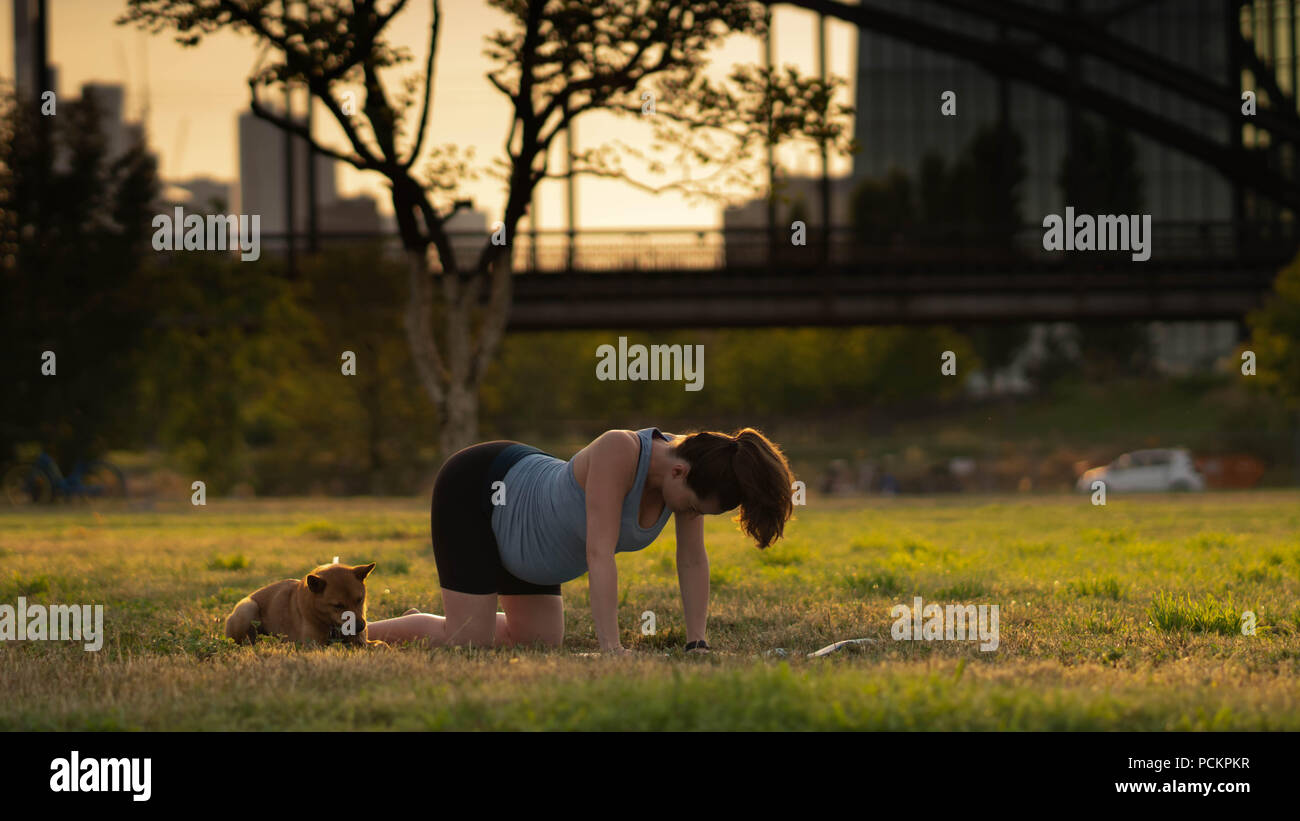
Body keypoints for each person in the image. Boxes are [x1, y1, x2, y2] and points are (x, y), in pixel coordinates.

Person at [366, 427, 794, 655]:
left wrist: (696, 642)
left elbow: (693, 562)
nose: (691, 516)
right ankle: (350, 633)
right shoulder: (620, 450)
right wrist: (612, 648)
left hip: (534, 550)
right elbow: (599, 554)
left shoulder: (698, 467)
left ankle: (436, 620)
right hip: (483, 490)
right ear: (679, 473)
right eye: (696, 509)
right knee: (470, 642)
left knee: (537, 642)